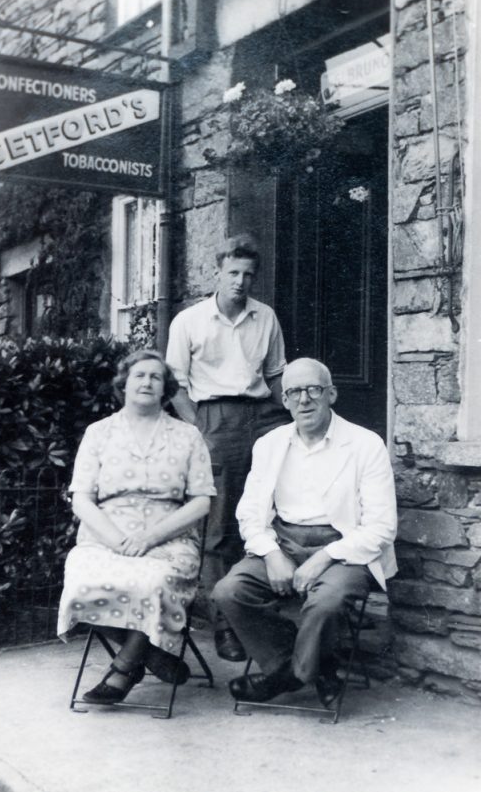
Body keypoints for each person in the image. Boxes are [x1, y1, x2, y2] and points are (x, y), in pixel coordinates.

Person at [213, 357, 397, 705]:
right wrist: (271, 554)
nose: (304, 399)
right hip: (283, 542)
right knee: (229, 592)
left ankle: (288, 677)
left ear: (331, 394)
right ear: (284, 400)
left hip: (345, 549)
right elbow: (250, 512)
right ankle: (310, 665)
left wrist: (324, 558)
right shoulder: (270, 444)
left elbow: (381, 526)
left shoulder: (365, 444)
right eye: (294, 391)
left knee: (326, 602)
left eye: (313, 389)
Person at [57, 350, 216, 704]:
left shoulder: (187, 435)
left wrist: (150, 537)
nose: (147, 382)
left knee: (152, 582)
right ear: (124, 384)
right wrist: (116, 539)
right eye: (139, 375)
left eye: (155, 377)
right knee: (82, 582)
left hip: (169, 537)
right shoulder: (98, 433)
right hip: (106, 536)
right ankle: (153, 653)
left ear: (165, 388)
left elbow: (202, 501)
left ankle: (124, 668)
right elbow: (81, 498)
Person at [166, 233, 290, 662]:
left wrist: (294, 418)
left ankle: (266, 616)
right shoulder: (189, 321)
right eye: (233, 272)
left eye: (248, 274)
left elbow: (275, 376)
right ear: (217, 272)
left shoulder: (265, 317)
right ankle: (226, 626)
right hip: (215, 420)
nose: (241, 281)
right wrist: (200, 430)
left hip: (265, 416)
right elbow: (175, 386)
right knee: (220, 527)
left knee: (274, 512)